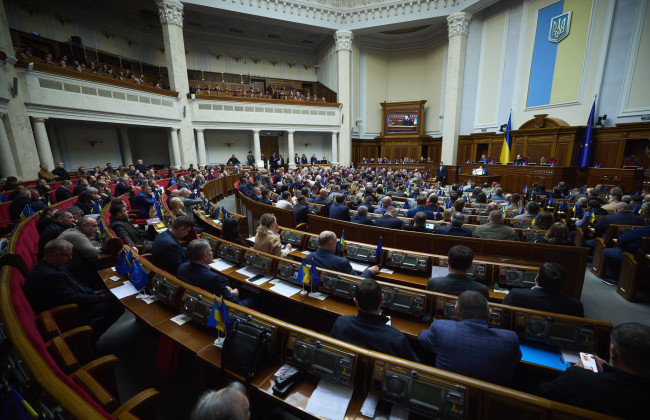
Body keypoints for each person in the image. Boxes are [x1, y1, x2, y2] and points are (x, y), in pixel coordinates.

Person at [536, 322, 649, 419]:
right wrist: (606, 368)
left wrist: (576, 370)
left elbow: (542, 394)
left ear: (613, 352)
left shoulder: (577, 378)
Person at [23, 239, 124, 341]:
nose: (70, 258)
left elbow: (75, 283)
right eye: (68, 255)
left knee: (110, 295)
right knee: (117, 305)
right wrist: (97, 298)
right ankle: (89, 339)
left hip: (71, 301)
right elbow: (71, 298)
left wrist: (93, 292)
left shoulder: (53, 265)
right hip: (67, 313)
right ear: (55, 254)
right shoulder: (48, 275)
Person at [418, 291, 521, 386]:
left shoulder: (441, 328)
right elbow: (516, 359)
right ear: (489, 314)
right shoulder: (509, 339)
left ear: (456, 311)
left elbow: (421, 336)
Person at [330, 278, 420, 362]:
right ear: (382, 299)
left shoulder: (341, 322)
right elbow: (416, 366)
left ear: (355, 302)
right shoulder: (396, 338)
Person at [178, 240, 251, 306]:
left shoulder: (182, 267)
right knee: (256, 299)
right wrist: (234, 293)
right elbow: (232, 301)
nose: (212, 252)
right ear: (205, 256)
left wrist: (223, 289)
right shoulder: (213, 278)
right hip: (218, 309)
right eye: (211, 250)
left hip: (193, 302)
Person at [502, 263, 583, 316]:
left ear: (536, 278)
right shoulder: (576, 306)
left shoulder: (515, 294)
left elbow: (502, 315)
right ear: (563, 284)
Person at [601, 202, 650, 285]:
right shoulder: (640, 220)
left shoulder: (645, 230)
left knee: (607, 251)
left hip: (639, 259)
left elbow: (621, 240)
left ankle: (616, 279)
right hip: (645, 257)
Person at [58, 216, 105, 290]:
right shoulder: (77, 236)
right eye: (94, 226)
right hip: (71, 272)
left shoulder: (72, 230)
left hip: (66, 268)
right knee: (103, 271)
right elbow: (94, 254)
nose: (97, 229)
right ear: (83, 226)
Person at [306, 231, 379, 278]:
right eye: (335, 242)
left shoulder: (309, 257)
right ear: (331, 244)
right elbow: (357, 280)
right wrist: (369, 271)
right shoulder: (342, 262)